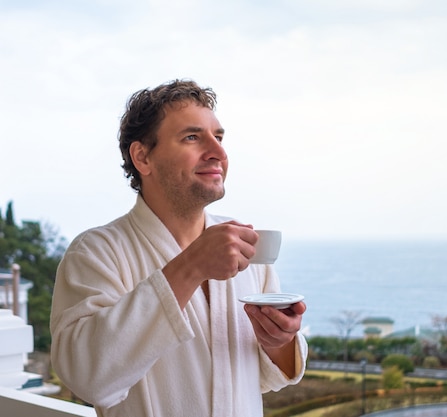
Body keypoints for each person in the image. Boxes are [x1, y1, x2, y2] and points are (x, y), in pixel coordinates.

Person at [50, 79, 308, 417]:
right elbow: (88, 378)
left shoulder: (244, 246)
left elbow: (265, 376)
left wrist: (281, 342)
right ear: (143, 157)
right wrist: (191, 266)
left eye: (218, 137)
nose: (218, 152)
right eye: (192, 137)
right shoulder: (96, 252)